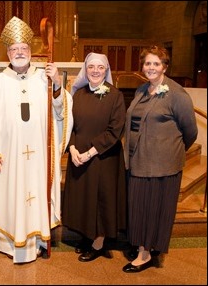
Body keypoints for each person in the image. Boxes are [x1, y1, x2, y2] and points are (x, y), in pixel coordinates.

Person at [0, 16, 73, 264]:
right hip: (8, 156)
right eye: (14, 49)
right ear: (8, 53)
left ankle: (40, 240)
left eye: (24, 49)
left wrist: (56, 84)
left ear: (31, 52)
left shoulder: (44, 77)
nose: (19, 53)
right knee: (10, 194)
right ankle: (9, 244)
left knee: (37, 191)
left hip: (39, 156)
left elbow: (60, 110)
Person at [122, 46, 198, 273]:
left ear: (165, 66)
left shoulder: (177, 94)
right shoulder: (141, 90)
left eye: (156, 63)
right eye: (147, 63)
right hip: (137, 160)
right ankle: (145, 245)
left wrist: (170, 151)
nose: (151, 68)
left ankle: (145, 254)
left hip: (162, 166)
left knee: (154, 209)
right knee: (139, 207)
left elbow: (190, 131)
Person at [62, 52, 127, 262]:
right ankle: (86, 236)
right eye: (91, 67)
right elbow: (69, 126)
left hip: (103, 157)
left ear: (106, 70)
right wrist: (72, 148)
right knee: (84, 198)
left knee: (100, 199)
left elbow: (115, 130)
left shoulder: (115, 95)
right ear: (85, 70)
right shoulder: (78, 94)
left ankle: (98, 242)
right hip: (78, 156)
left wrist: (90, 152)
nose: (96, 71)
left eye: (100, 67)